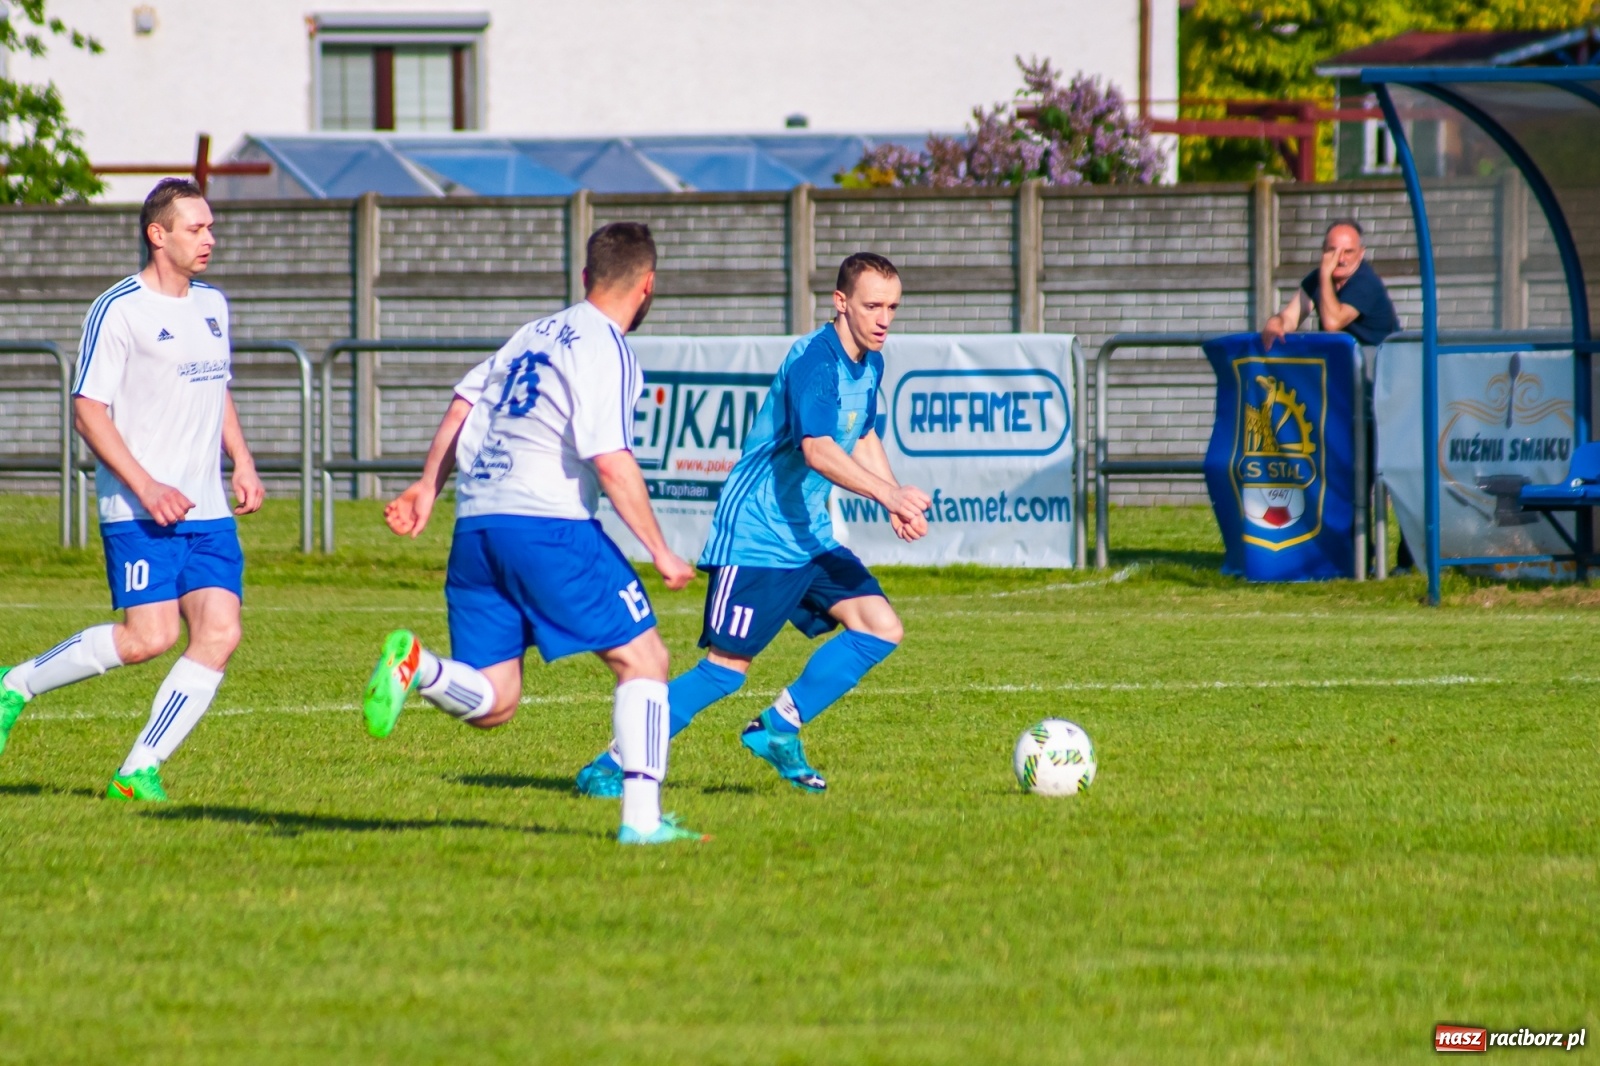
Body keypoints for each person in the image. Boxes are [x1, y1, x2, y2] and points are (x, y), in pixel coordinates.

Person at [361, 222, 705, 846]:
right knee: (645, 659)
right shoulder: (607, 347)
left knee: (495, 702)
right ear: (648, 285)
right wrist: (660, 550)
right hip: (548, 524)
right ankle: (642, 822)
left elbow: (465, 403)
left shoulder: (532, 333)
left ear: (586, 277)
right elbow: (610, 458)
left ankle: (420, 667)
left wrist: (426, 487)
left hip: (478, 526)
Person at [575, 252, 931, 798]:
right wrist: (887, 493)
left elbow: (861, 433)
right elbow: (817, 450)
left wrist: (893, 498)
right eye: (872, 306)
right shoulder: (816, 361)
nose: (884, 319)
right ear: (841, 303)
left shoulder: (870, 363)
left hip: (808, 534)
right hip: (757, 535)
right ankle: (609, 765)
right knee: (725, 670)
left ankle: (779, 726)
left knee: (880, 627)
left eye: (893, 307)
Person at [0, 178, 265, 801]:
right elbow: (87, 411)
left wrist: (243, 460)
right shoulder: (119, 308)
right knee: (150, 638)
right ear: (158, 235)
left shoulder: (213, 304)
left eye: (210, 226)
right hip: (138, 508)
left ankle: (137, 770)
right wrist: (146, 487)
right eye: (196, 228)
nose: (210, 238)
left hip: (207, 509)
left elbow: (216, 385)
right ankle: (15, 684)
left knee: (220, 633)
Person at [1261, 218, 1409, 571]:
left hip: (1389, 397)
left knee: (1397, 478)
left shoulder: (1365, 283)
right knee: (1350, 480)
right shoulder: (1319, 280)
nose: (1339, 258)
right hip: (1349, 401)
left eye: (1348, 251)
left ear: (1362, 254)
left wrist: (1325, 277)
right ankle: (1359, 557)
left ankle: (1408, 558)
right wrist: (1275, 323)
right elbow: (1291, 315)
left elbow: (1333, 321)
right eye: (1332, 250)